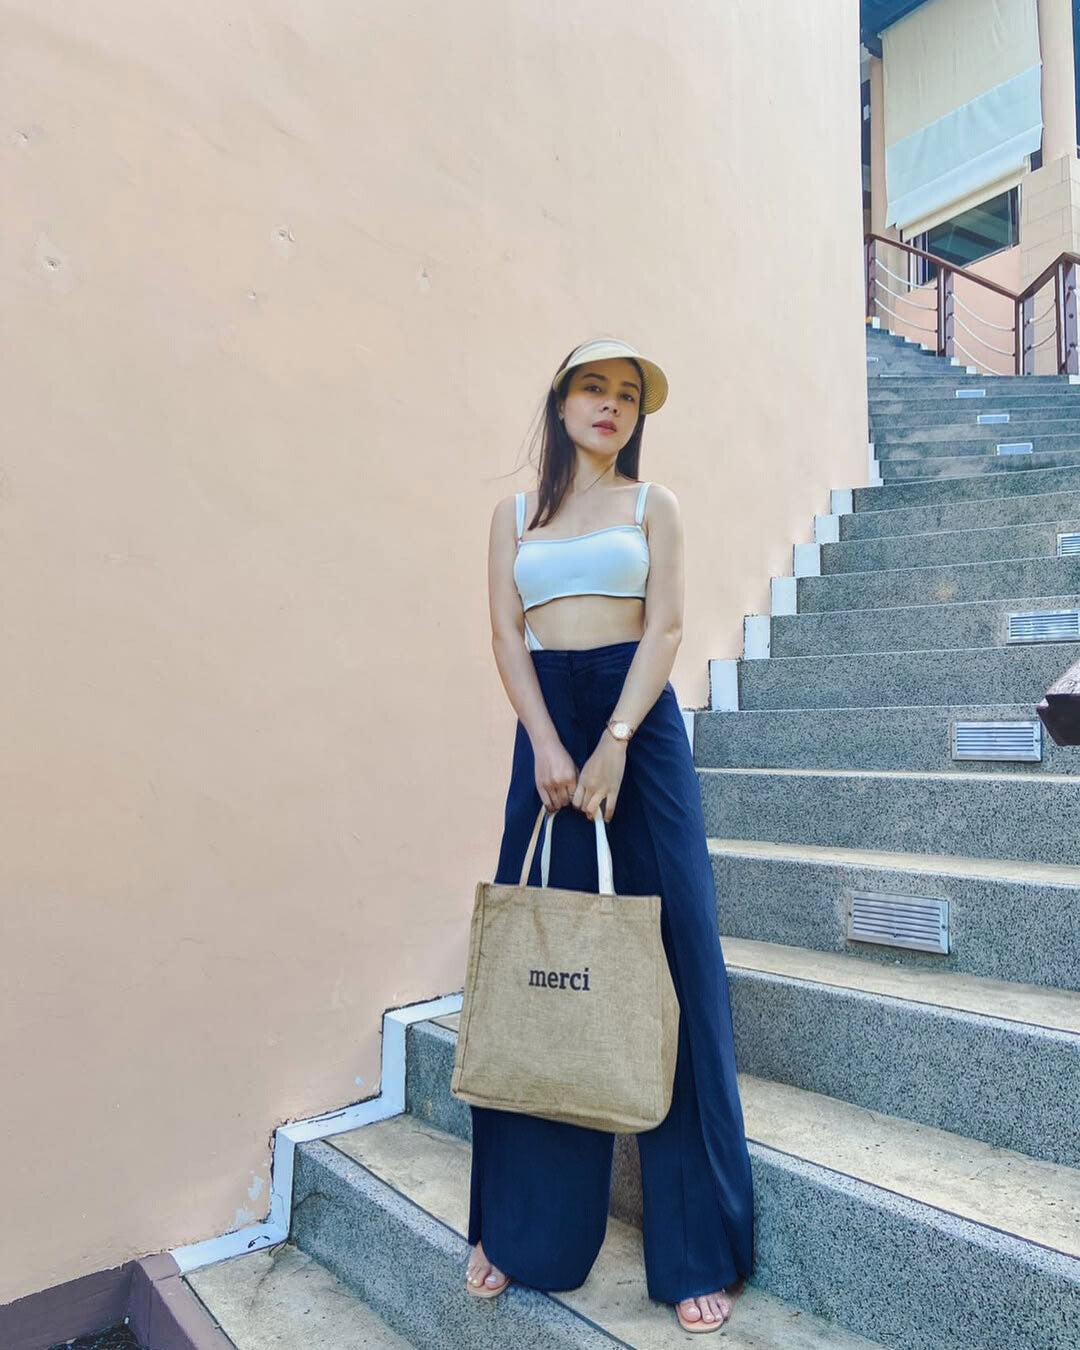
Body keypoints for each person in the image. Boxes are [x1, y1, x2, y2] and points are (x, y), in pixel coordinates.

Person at [464, 337, 755, 1334]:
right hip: (545, 719)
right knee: (532, 956)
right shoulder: (515, 516)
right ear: (560, 402)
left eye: (628, 395)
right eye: (595, 387)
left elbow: (666, 627)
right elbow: (506, 633)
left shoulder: (652, 506)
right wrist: (549, 742)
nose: (612, 405)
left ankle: (695, 1248)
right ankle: (513, 1224)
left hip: (640, 718)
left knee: (672, 962)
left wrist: (618, 739)